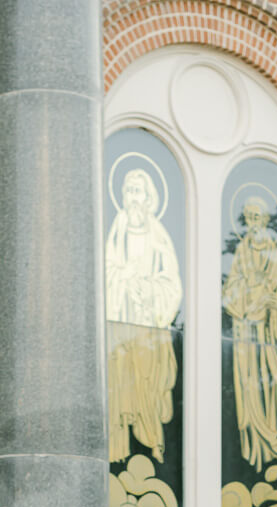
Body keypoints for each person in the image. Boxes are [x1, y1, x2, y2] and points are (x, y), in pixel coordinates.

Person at [106, 168, 182, 464]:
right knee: (120, 388)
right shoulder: (118, 228)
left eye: (138, 191)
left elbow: (171, 282)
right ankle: (118, 454)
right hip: (120, 332)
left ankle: (153, 449)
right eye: (128, 190)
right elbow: (108, 271)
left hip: (150, 332)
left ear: (150, 198)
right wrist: (123, 280)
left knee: (148, 393)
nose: (133, 198)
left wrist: (149, 291)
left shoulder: (158, 234)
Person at [222, 196, 277, 469]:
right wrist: (248, 296)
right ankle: (252, 452)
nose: (252, 223)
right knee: (249, 390)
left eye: (257, 218)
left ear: (266, 221)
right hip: (246, 336)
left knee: (271, 393)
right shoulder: (241, 253)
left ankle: (273, 452)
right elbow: (229, 293)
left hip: (270, 340)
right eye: (248, 218)